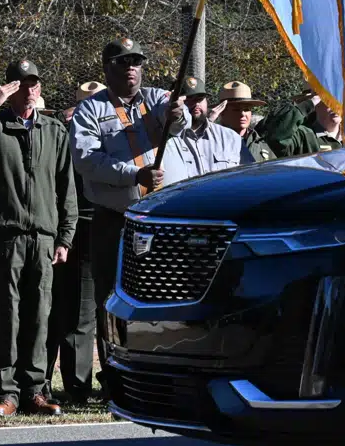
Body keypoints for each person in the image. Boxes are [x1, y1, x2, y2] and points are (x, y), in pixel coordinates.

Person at [0, 60, 76, 417]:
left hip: (43, 238)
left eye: (34, 84)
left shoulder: (54, 130)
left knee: (40, 314)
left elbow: (66, 187)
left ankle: (35, 389)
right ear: (9, 89)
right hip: (6, 238)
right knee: (7, 314)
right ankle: (7, 391)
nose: (29, 91)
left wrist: (65, 237)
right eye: (21, 85)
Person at [70, 39, 184, 377]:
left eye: (136, 61)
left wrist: (177, 115)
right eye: (122, 61)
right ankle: (114, 374)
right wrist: (134, 174)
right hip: (115, 221)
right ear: (107, 68)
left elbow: (176, 124)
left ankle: (159, 372)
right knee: (112, 299)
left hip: (161, 220)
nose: (131, 67)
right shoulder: (90, 110)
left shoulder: (157, 98)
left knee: (163, 294)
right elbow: (86, 160)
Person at [47, 81, 105, 404]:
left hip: (113, 223)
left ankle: (111, 382)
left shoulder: (116, 133)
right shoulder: (67, 135)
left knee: (108, 311)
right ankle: (78, 386)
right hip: (80, 225)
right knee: (79, 311)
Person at [160, 76, 252, 186]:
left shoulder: (230, 138)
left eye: (200, 99)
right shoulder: (163, 141)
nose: (196, 104)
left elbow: (250, 178)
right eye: (189, 99)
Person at [211, 81, 273, 161]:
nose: (243, 114)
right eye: (236, 110)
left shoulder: (260, 143)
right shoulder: (212, 142)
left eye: (246, 109)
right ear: (222, 113)